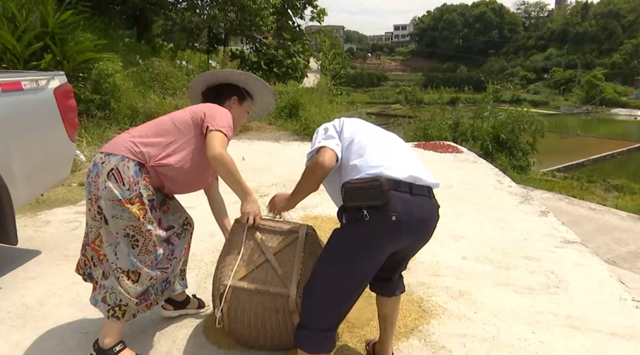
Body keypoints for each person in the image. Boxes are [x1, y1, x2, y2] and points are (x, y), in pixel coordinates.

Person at [75, 69, 275, 355]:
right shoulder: (217, 114)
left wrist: (233, 236)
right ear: (233, 102)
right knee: (138, 250)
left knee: (180, 225)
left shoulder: (205, 135)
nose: (244, 121)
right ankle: (106, 344)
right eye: (247, 111)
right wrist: (248, 197)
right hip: (123, 169)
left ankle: (175, 297)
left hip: (134, 174)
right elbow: (218, 154)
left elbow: (213, 193)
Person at [268, 117, 441, 355]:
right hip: (425, 212)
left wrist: (289, 200)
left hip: (381, 208)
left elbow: (324, 162)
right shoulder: (385, 137)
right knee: (388, 276)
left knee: (323, 295)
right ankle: (384, 349)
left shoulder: (332, 127)